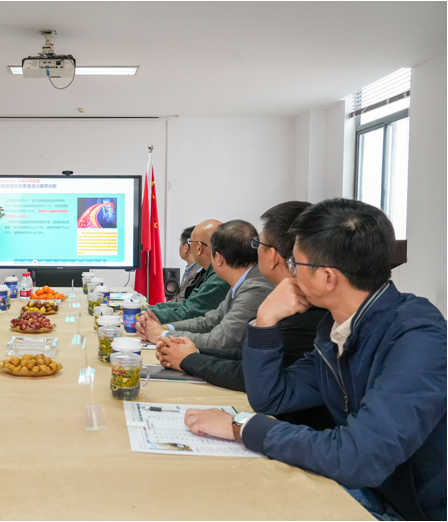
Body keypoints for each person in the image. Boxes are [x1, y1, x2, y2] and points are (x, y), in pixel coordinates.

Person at [181, 199, 447, 521]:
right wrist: (264, 321)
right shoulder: (336, 328)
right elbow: (272, 398)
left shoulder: (418, 336)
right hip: (361, 489)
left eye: (296, 265)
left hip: (408, 511)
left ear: (327, 278)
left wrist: (242, 426)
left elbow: (358, 457)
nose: (289, 274)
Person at [156, 202, 335, 431]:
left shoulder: (291, 305)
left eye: (258, 244)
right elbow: (239, 350)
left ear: (272, 256)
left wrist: (189, 357)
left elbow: (253, 380)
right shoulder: (300, 305)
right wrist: (184, 348)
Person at [139, 220, 274, 357]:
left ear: (219, 258)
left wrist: (162, 335)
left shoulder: (254, 288)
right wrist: (165, 328)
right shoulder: (241, 281)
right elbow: (208, 321)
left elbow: (219, 341)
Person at [144, 220, 231, 323]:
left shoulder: (219, 276)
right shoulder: (209, 271)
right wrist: (149, 309)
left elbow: (191, 311)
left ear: (199, 247)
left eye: (190, 242)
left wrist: (146, 312)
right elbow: (187, 304)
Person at [167, 225, 207, 303]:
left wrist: (151, 309)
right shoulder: (191, 269)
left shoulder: (198, 272)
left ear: (186, 247)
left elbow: (181, 301)